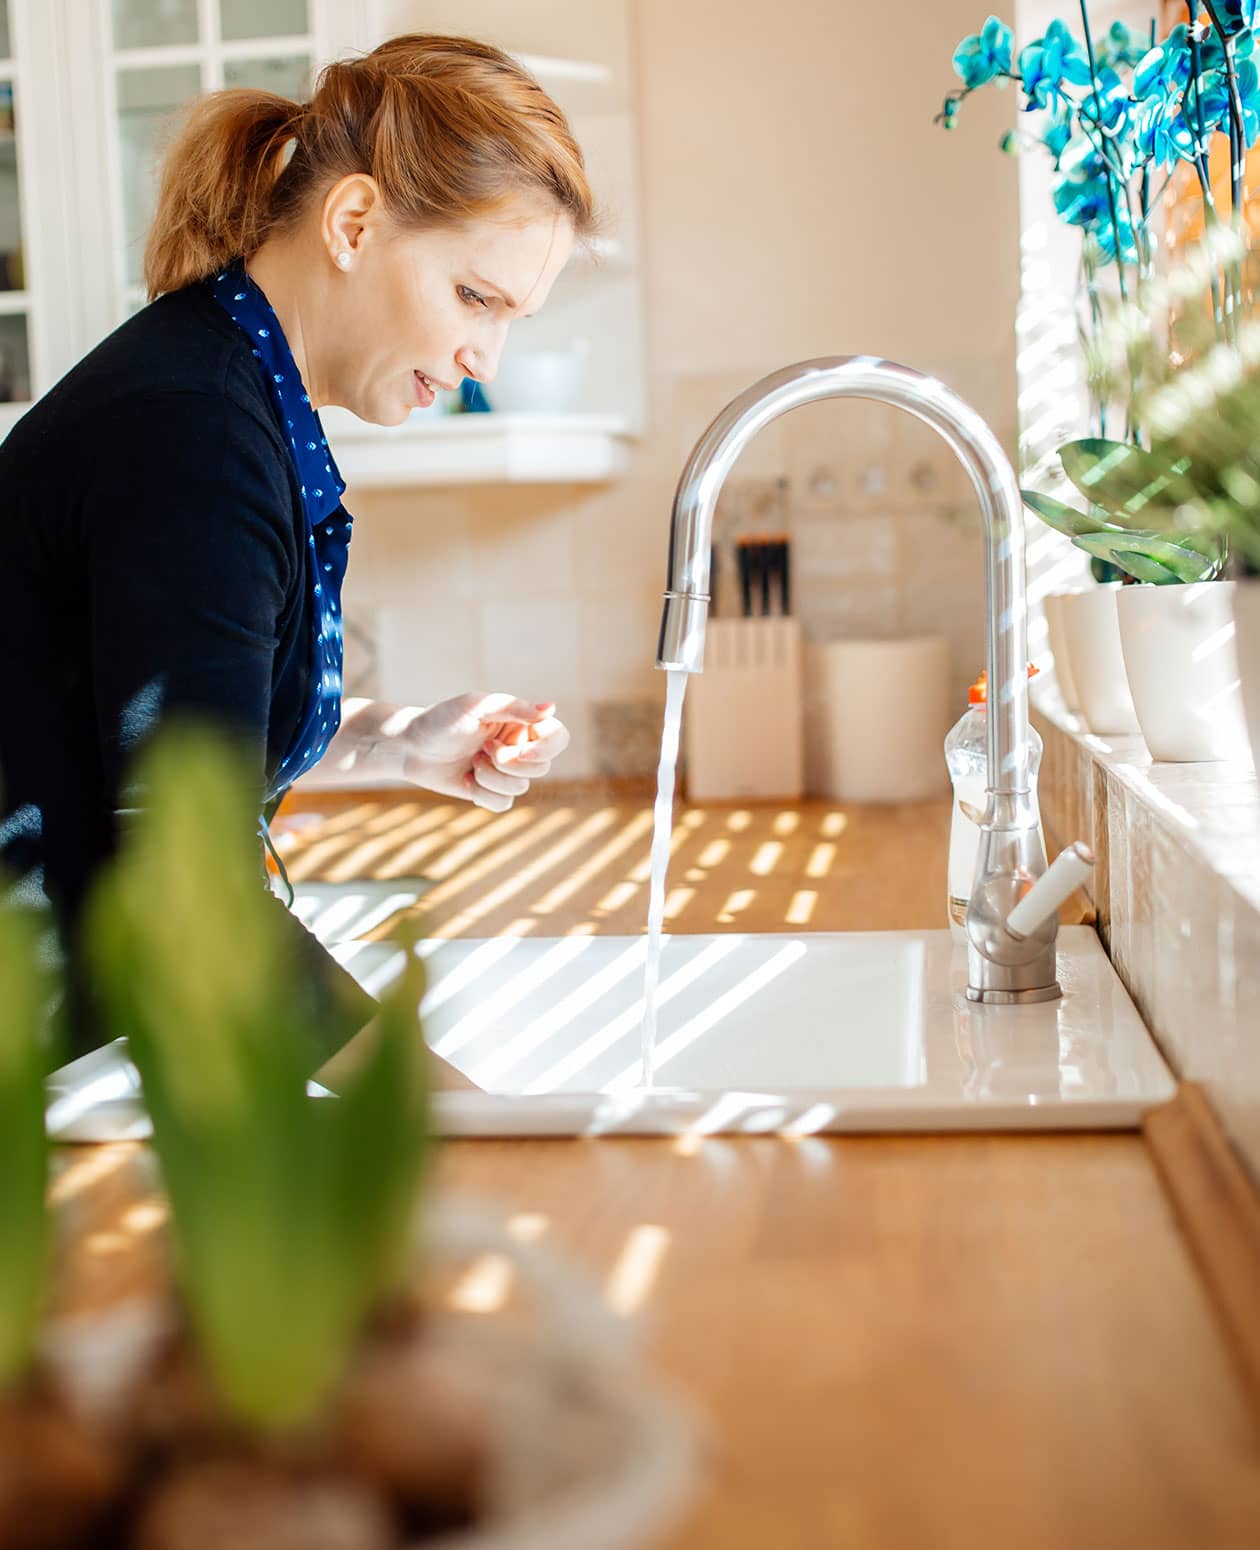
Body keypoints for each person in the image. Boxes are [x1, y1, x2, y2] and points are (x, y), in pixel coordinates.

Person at [0, 33, 596, 1085]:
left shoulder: (223, 394)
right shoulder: (193, 434)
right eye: (475, 298)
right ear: (355, 222)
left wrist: (399, 741)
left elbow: (165, 734)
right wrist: (467, 1120)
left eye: (510, 319)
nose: (481, 362)